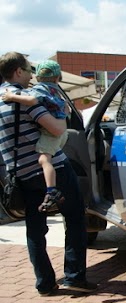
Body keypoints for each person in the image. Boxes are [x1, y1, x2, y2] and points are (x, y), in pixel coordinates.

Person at [0, 52, 97, 296]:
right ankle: (74, 276)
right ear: (18, 72)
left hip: (20, 174)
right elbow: (55, 128)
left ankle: (45, 282)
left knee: (35, 229)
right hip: (51, 168)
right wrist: (60, 117)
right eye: (28, 70)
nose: (31, 75)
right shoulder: (24, 98)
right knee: (75, 218)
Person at [2, 60, 68, 212]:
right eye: (27, 71)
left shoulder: (38, 90)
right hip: (55, 138)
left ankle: (52, 190)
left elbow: (32, 101)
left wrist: (12, 97)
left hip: (26, 163)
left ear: (38, 77)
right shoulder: (53, 90)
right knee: (47, 159)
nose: (30, 77)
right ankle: (51, 190)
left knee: (44, 159)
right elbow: (59, 128)